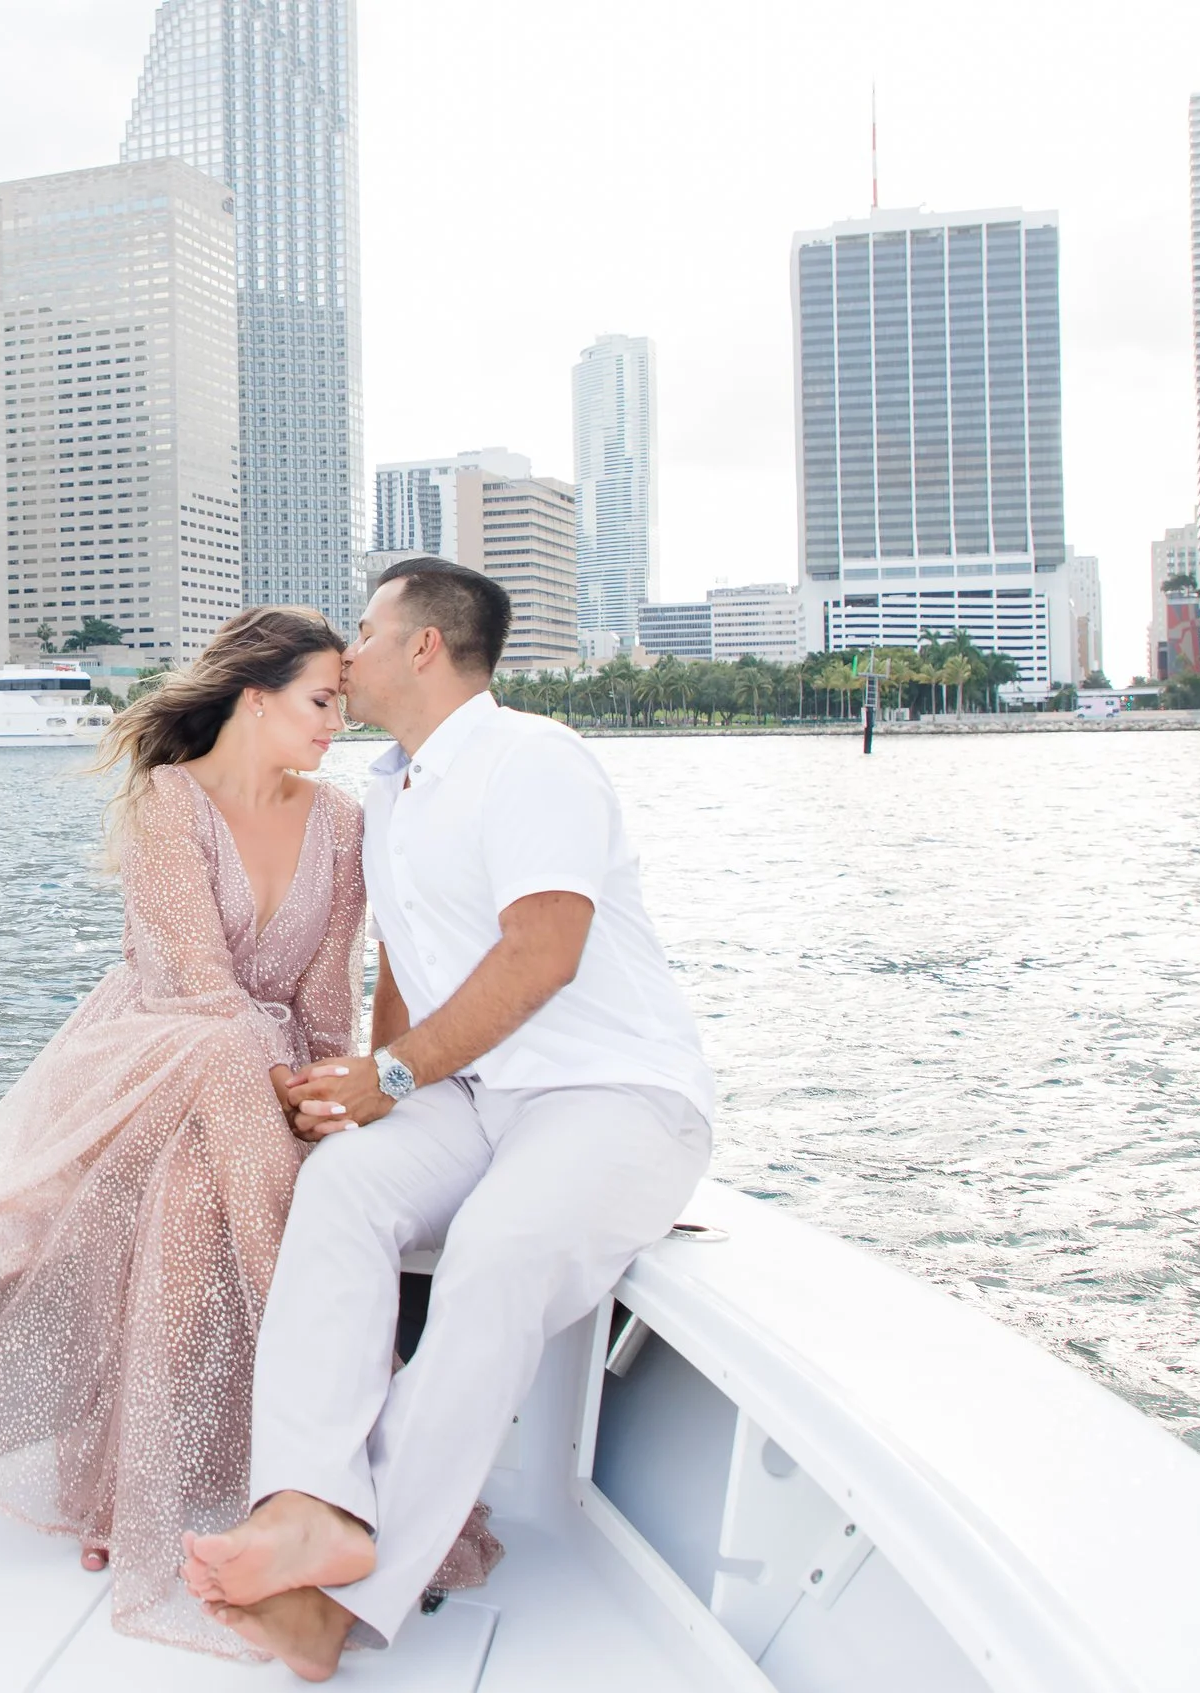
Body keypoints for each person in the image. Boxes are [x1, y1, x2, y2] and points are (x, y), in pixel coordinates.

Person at [0, 606, 492, 1657]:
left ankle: (164, 1497)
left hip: (253, 1082)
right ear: (254, 697)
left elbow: (319, 1004)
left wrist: (315, 1100)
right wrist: (284, 1103)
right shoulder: (171, 800)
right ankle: (345, 1483)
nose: (332, 724)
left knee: (193, 1194)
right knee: (227, 1071)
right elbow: (203, 994)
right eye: (317, 701)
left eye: (341, 704)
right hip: (151, 1054)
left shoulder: (342, 823)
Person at [180, 558, 717, 1679]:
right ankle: (309, 1501)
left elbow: (544, 951)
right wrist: (371, 1078)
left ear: (424, 644)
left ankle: (344, 1604)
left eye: (367, 631)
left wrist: (395, 1077)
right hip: (476, 1095)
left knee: (496, 1252)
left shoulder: (533, 759)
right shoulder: (389, 788)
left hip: (613, 1094)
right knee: (340, 1188)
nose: (348, 652)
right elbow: (408, 973)